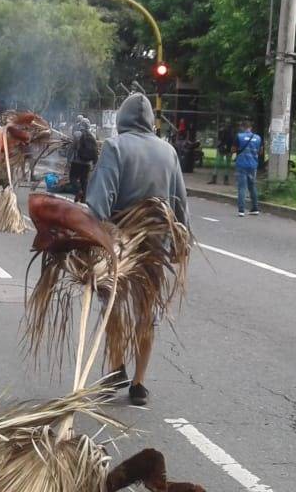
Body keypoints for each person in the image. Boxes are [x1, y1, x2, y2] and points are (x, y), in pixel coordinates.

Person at [86, 93, 188, 407]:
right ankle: (139, 384)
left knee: (113, 305)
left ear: (122, 119)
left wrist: (94, 238)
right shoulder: (168, 151)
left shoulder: (115, 147)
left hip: (118, 243)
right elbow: (180, 205)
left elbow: (98, 204)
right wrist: (179, 245)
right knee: (147, 312)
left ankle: (116, 368)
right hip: (155, 246)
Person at [233, 120, 262, 216]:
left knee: (242, 187)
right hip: (253, 165)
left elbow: (233, 149)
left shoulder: (239, 136)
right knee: (252, 186)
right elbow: (260, 152)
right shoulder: (258, 138)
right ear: (251, 128)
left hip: (241, 164)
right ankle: (255, 208)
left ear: (242, 127)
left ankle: (241, 210)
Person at [71, 118, 99, 203]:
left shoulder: (76, 134)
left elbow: (73, 148)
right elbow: (95, 149)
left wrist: (69, 160)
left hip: (77, 161)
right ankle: (83, 199)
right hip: (87, 163)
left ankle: (78, 190)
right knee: (84, 181)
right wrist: (95, 163)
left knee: (73, 178)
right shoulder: (93, 135)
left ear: (81, 125)